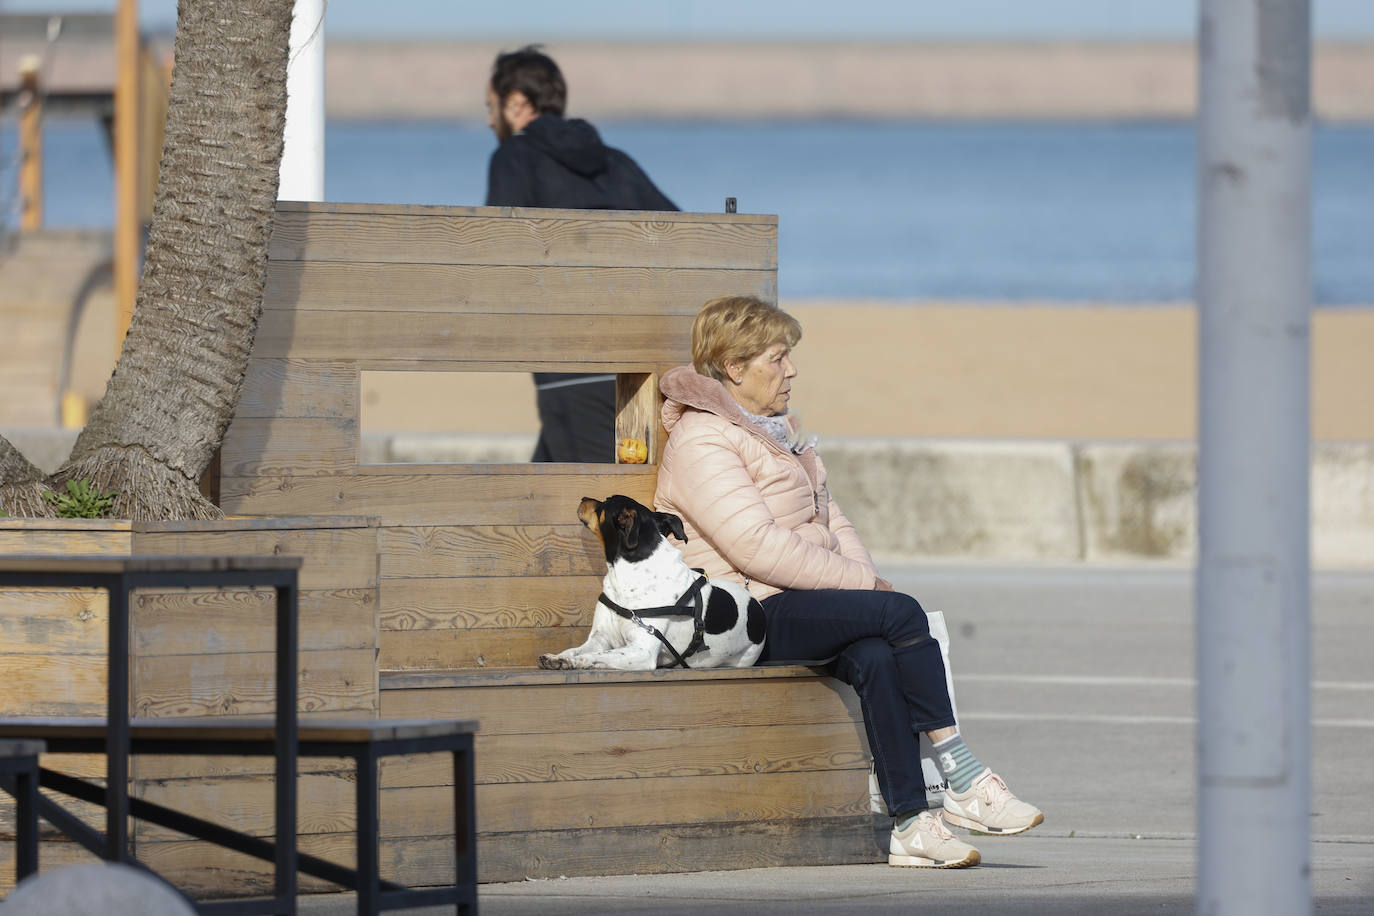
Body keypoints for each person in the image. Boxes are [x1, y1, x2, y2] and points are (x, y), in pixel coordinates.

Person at [653, 295, 1044, 869]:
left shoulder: (775, 435)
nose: (792, 370)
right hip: (739, 614)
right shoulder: (704, 440)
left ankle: (911, 823)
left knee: (876, 653)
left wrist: (865, 582)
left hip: (793, 601)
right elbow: (755, 548)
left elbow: (831, 520)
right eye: (777, 358)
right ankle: (961, 776)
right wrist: (870, 591)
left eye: (791, 357)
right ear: (734, 369)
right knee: (901, 612)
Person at [484, 45, 678, 463]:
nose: (488, 119)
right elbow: (681, 236)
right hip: (642, 361)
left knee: (595, 510)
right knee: (547, 496)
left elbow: (499, 251)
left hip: (569, 364)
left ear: (516, 103)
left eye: (491, 107)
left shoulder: (513, 158)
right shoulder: (616, 162)